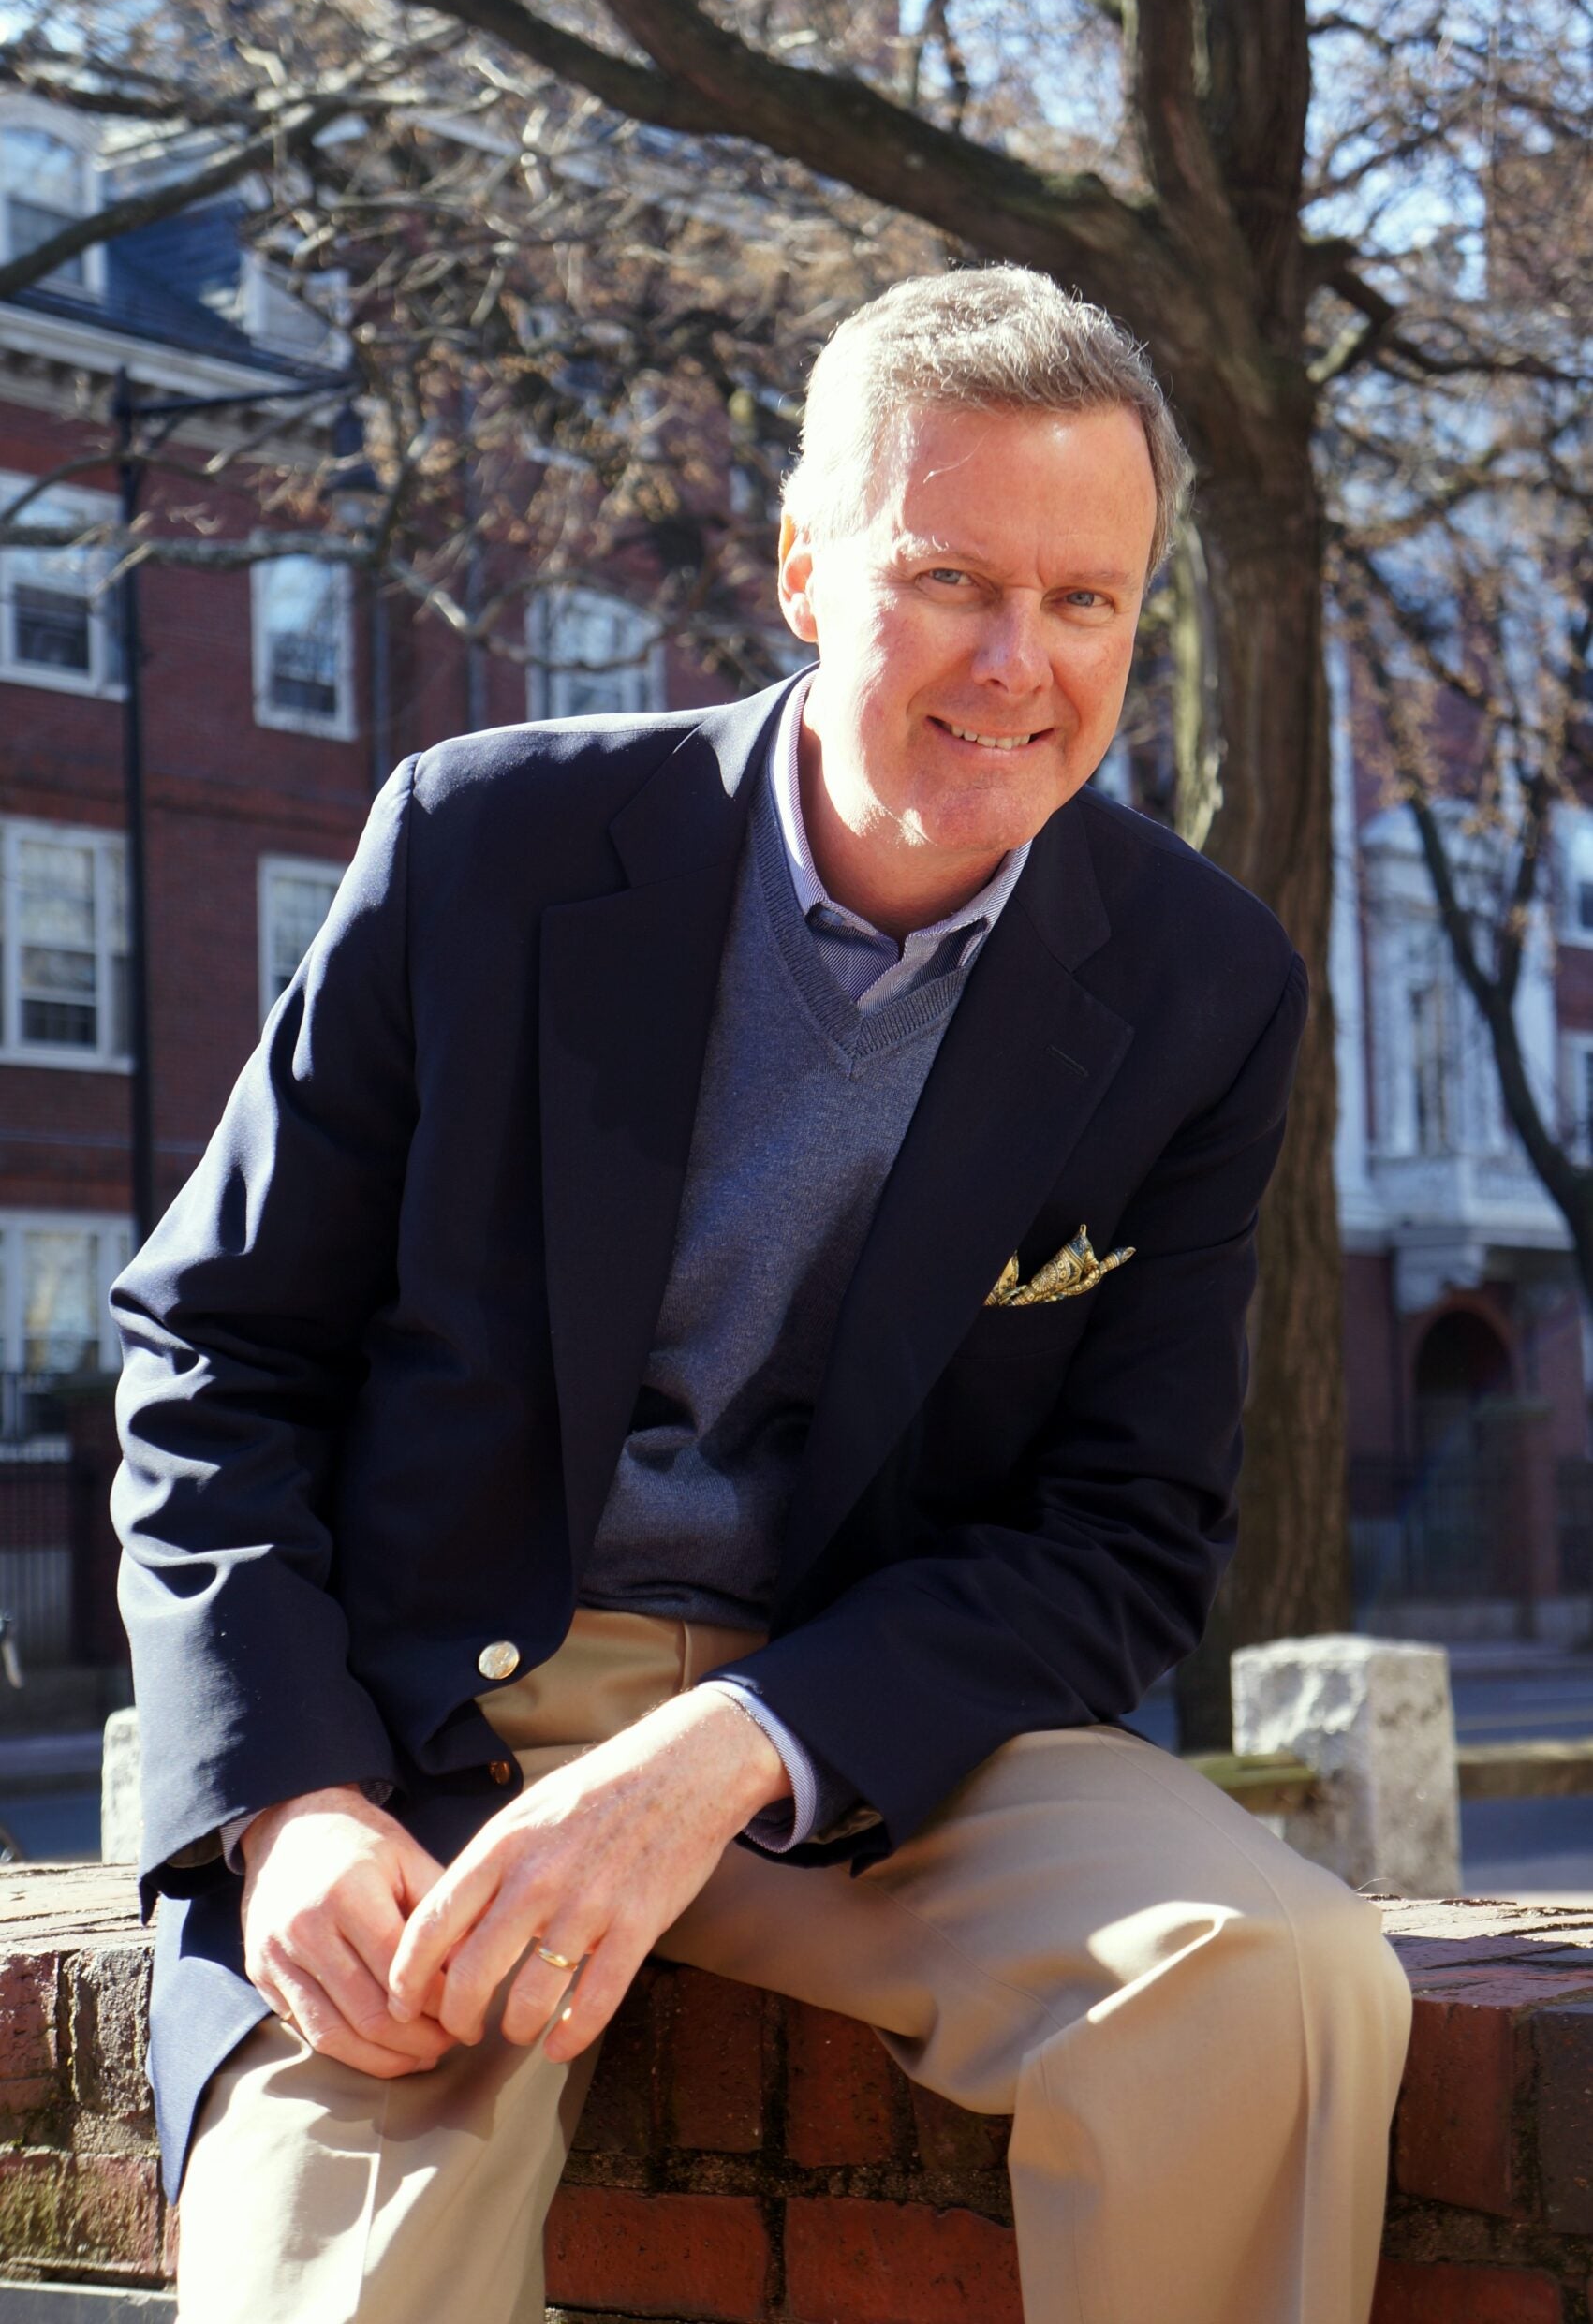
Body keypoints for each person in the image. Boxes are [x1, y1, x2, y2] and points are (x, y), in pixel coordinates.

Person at [111, 265, 1411, 2324]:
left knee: (1273, 1972)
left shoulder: (1199, 982)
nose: (1017, 663)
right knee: (330, 2281)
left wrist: (735, 1738)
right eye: (950, 577)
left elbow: (1124, 1535)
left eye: (1084, 600)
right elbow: (213, 1353)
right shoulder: (480, 844)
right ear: (806, 565)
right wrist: (283, 1802)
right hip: (434, 1729)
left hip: (877, 1745)